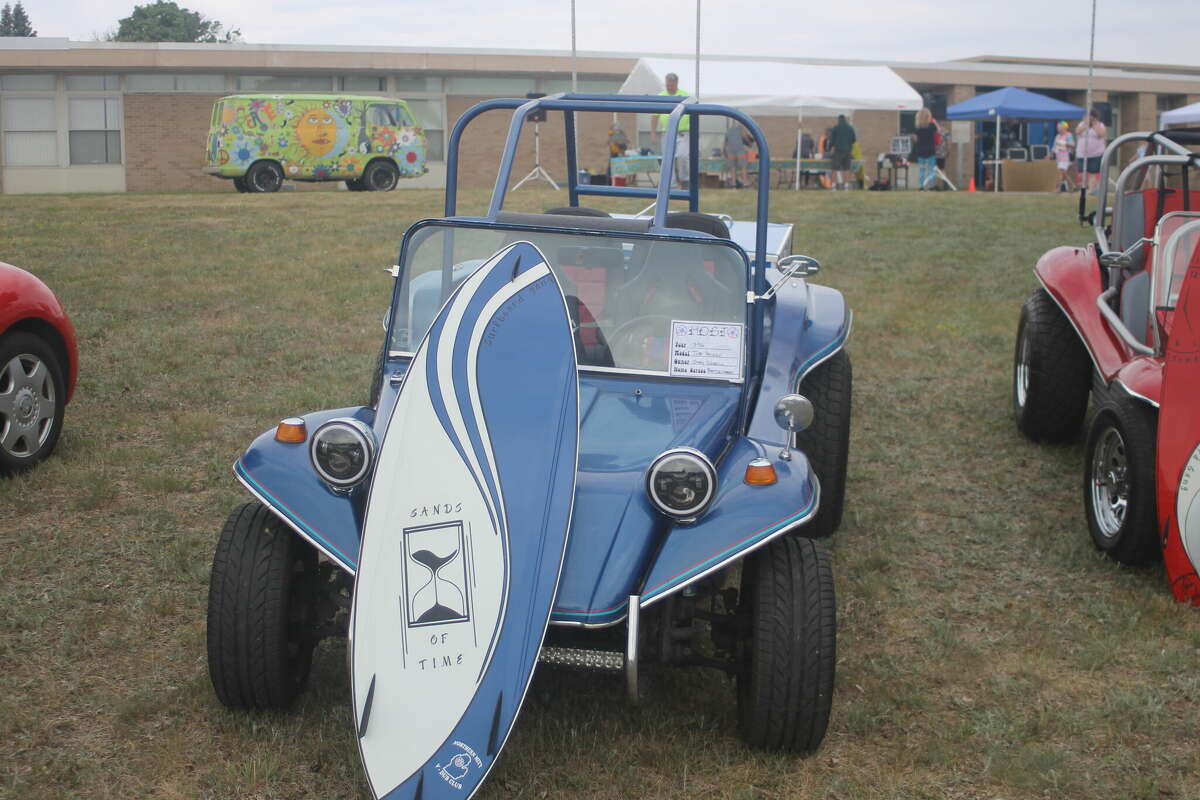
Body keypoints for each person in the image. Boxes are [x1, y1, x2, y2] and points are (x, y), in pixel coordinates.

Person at [651, 72, 690, 187]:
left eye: (672, 83)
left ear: (676, 83)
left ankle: (684, 179)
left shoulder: (685, 95)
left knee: (683, 156)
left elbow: (693, 114)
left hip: (683, 132)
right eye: (668, 83)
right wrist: (653, 133)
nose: (670, 85)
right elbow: (655, 116)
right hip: (667, 132)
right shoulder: (661, 96)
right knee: (668, 158)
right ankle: (670, 184)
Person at [1076, 107, 1107, 194]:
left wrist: (1094, 125)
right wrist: (1086, 124)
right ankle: (1086, 188)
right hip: (1082, 154)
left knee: (1092, 173)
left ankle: (1091, 190)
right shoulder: (1081, 124)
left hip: (1096, 154)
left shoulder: (1100, 125)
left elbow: (1102, 134)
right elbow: (1077, 131)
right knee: (1082, 173)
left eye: (1091, 117)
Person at [912, 107, 939, 190]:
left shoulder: (917, 127)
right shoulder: (931, 125)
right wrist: (935, 122)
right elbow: (939, 131)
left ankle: (922, 186)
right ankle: (931, 186)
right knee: (931, 169)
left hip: (920, 150)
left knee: (922, 170)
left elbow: (915, 139)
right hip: (931, 150)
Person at [829, 114, 856, 190]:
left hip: (838, 151)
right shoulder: (850, 128)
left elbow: (832, 141)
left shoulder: (836, 128)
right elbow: (854, 140)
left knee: (834, 168)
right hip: (848, 151)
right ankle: (846, 185)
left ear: (839, 120)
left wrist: (832, 148)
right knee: (846, 169)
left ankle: (833, 185)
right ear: (845, 119)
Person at [724, 122, 750, 188]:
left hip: (730, 151)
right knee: (743, 166)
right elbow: (745, 137)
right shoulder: (741, 128)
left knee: (733, 167)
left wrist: (725, 153)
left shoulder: (728, 131)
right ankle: (745, 183)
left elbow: (725, 143)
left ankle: (733, 184)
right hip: (739, 150)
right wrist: (749, 143)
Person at [1051, 121, 1075, 192]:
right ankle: (1072, 185)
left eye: (1060, 127)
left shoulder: (1068, 135)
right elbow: (1054, 147)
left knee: (1061, 172)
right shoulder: (1057, 137)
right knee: (1063, 173)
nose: (1058, 129)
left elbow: (1072, 145)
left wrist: (1064, 144)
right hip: (1059, 157)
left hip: (1065, 157)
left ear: (1065, 128)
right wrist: (1050, 154)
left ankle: (1058, 188)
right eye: (1058, 127)